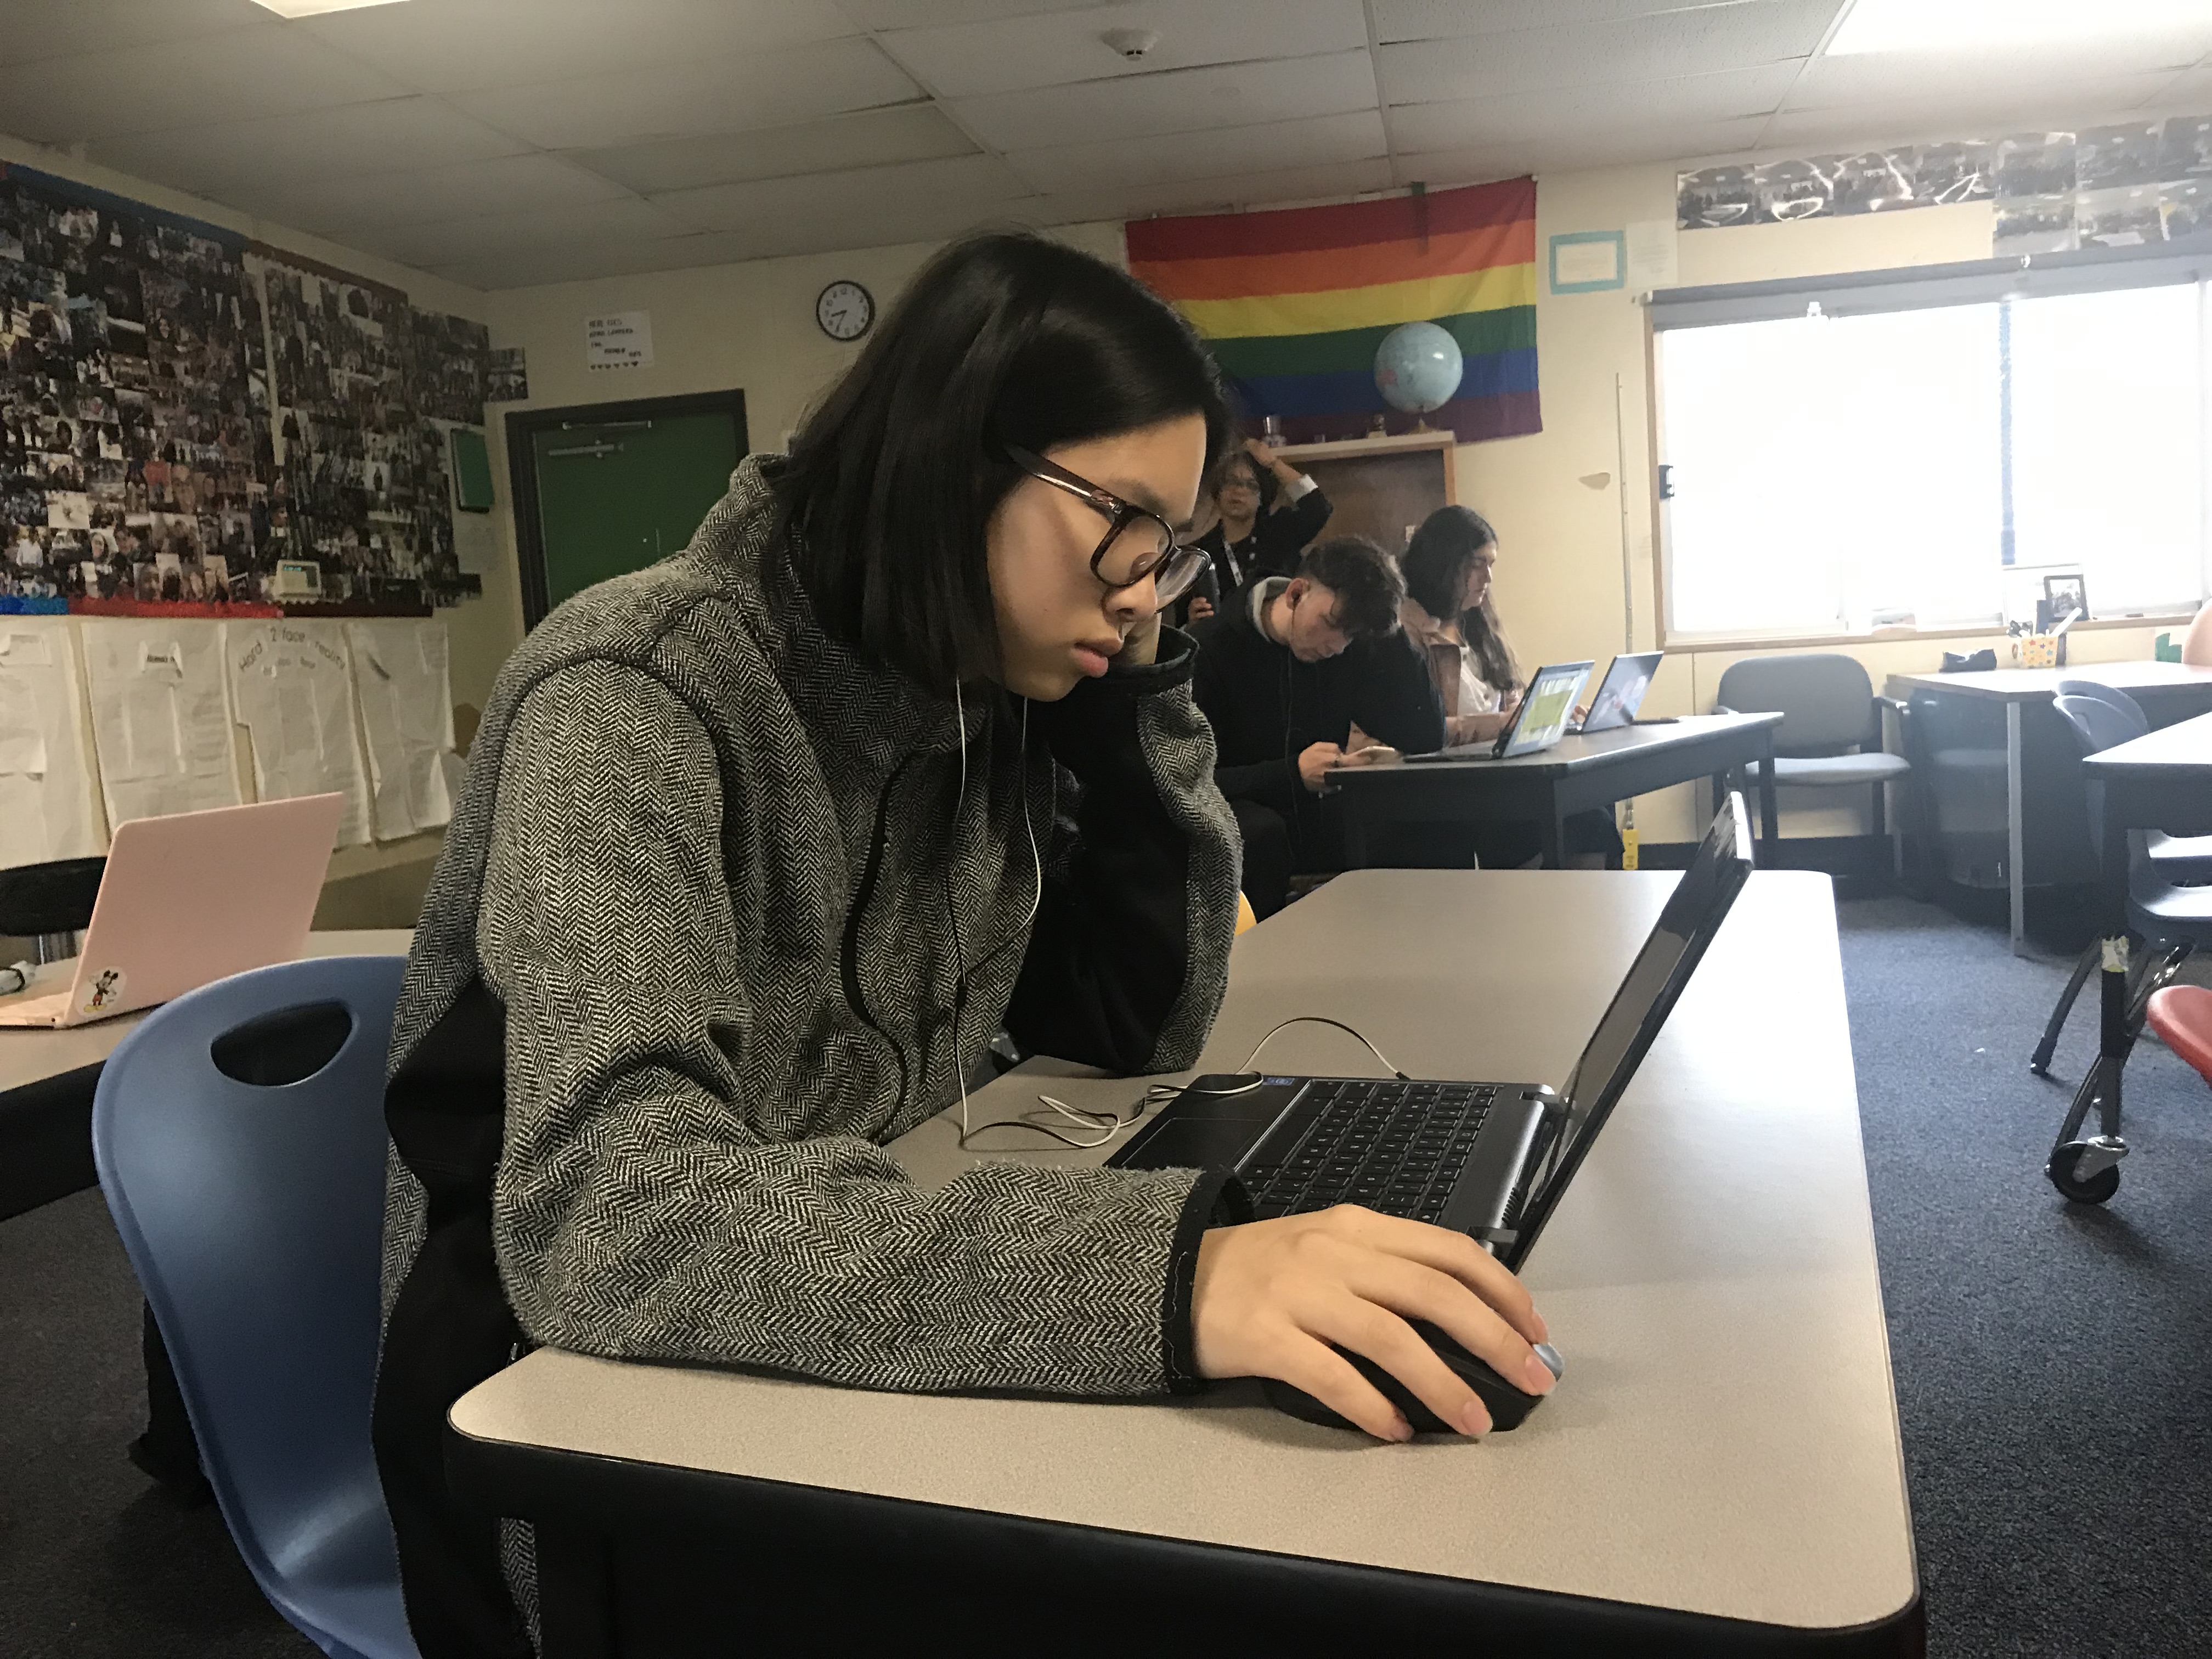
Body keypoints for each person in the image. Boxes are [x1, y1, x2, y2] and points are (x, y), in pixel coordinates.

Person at [371, 235, 1551, 1659]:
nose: (1147, 587)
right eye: (1125, 524)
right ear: (952, 462)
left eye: (1170, 546)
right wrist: (1171, 1280)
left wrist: (1133, 703)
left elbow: (1129, 1034)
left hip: (838, 1339)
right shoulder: (634, 692)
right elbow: (609, 1220)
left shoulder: (980, 694)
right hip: (583, 1443)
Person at [1192, 536, 1446, 918]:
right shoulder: (1209, 649)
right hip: (1246, 819)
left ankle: (1425, 942)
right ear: (1296, 593)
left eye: (1352, 635)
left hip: (1317, 819)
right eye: (1331, 624)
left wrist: (1391, 631)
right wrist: (1292, 774)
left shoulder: (1347, 648)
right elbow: (1193, 783)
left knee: (1426, 813)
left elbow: (1425, 735)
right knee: (1261, 832)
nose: (1337, 646)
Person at [1399, 505, 1621, 870]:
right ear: (1443, 563)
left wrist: (1550, 715)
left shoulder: (1478, 624)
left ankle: (1573, 902)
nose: (1487, 577)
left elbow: (1512, 701)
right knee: (1581, 822)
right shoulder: (1406, 633)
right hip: (1452, 793)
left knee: (1592, 815)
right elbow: (1422, 732)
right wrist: (1504, 724)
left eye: (1491, 565)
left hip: (1502, 779)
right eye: (1477, 564)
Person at [1178, 436, 1332, 625]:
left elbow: (1318, 507)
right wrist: (1192, 623)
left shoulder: (1281, 532)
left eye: (1251, 485)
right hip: (1222, 640)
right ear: (1218, 491)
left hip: (1279, 637)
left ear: (1263, 497)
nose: (1239, 491)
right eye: (1231, 482)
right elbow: (1180, 626)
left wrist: (1273, 464)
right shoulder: (1197, 554)